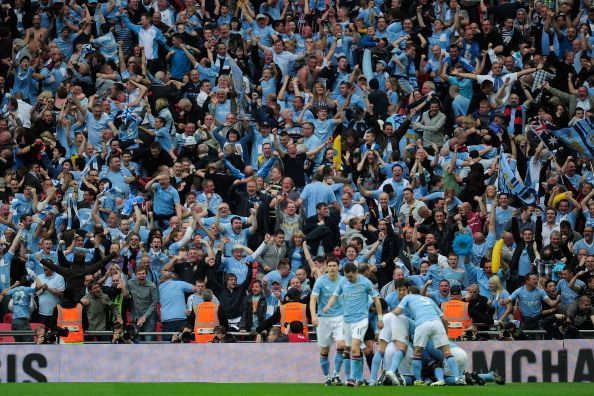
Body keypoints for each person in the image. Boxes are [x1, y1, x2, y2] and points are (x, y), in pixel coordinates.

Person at [391, 281, 465, 386]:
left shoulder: (408, 297)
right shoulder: (429, 299)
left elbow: (397, 312)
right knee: (447, 352)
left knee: (417, 353)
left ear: (409, 292)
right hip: (437, 324)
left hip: (422, 324)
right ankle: (458, 377)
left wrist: (388, 316)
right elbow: (444, 319)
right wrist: (446, 334)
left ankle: (418, 380)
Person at [323, 263, 383, 387]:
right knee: (349, 349)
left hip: (361, 320)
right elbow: (335, 296)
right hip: (347, 321)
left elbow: (377, 300)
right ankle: (358, 378)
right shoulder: (343, 282)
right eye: (347, 276)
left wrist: (380, 318)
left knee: (355, 347)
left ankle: (353, 378)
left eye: (350, 276)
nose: (349, 279)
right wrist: (328, 306)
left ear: (356, 272)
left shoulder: (366, 282)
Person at [310, 257, 345, 386]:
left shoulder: (343, 281)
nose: (332, 268)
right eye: (329, 266)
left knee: (341, 345)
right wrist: (314, 316)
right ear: (325, 267)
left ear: (338, 267)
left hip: (340, 317)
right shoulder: (320, 282)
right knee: (325, 350)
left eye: (334, 266)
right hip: (323, 319)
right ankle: (326, 377)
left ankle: (336, 375)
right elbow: (313, 299)